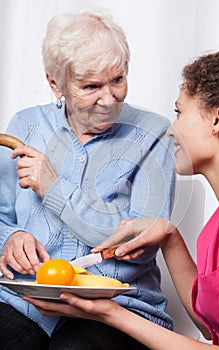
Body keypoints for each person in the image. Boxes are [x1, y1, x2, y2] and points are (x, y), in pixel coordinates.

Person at [24, 49, 219, 349]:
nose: (171, 129)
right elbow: (212, 323)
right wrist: (169, 237)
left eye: (179, 112)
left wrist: (110, 313)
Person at [0, 10, 176, 350]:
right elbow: (1, 217)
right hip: (25, 302)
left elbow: (135, 249)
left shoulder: (153, 133)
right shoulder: (25, 125)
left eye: (118, 80)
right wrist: (11, 237)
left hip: (116, 311)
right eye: (91, 86)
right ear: (55, 83)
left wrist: (53, 188)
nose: (109, 100)